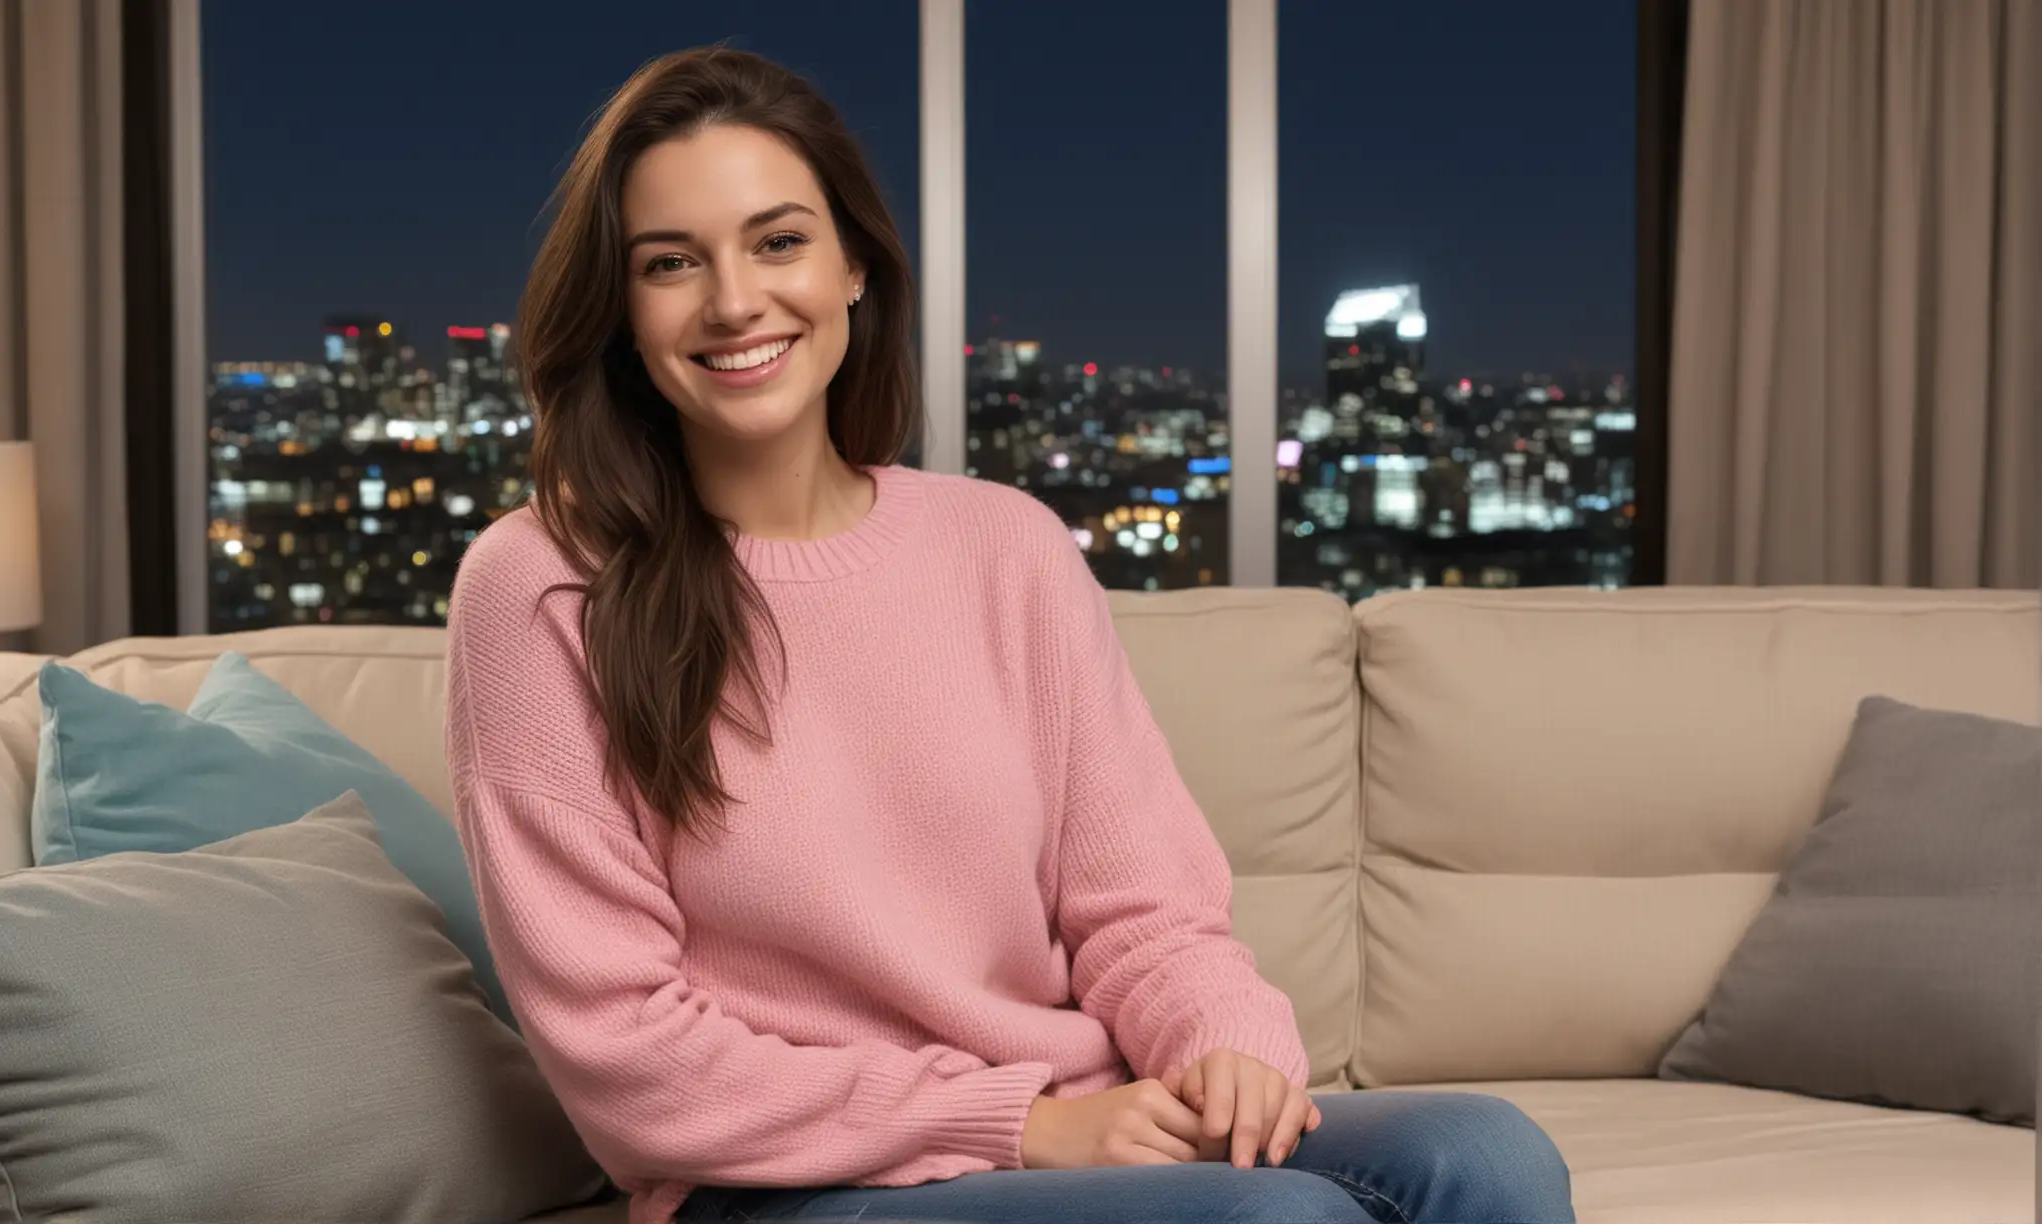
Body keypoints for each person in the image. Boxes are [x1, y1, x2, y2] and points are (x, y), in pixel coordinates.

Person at [444, 44, 1577, 1224]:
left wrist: (1225, 1042)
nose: (735, 301)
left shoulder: (1005, 546)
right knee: (1274, 1222)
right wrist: (1019, 1124)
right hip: (783, 1182)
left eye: (779, 241)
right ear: (623, 315)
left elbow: (1140, 908)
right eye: (672, 263)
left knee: (1487, 1155)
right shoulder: (540, 588)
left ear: (855, 270)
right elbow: (625, 1052)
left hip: (1076, 1118)